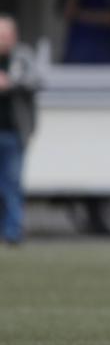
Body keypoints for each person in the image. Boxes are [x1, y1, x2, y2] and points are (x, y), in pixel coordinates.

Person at [0, 16, 40, 245]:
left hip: (14, 134)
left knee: (12, 185)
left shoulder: (22, 57)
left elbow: (37, 81)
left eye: (6, 35)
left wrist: (11, 82)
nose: (3, 40)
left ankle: (13, 233)